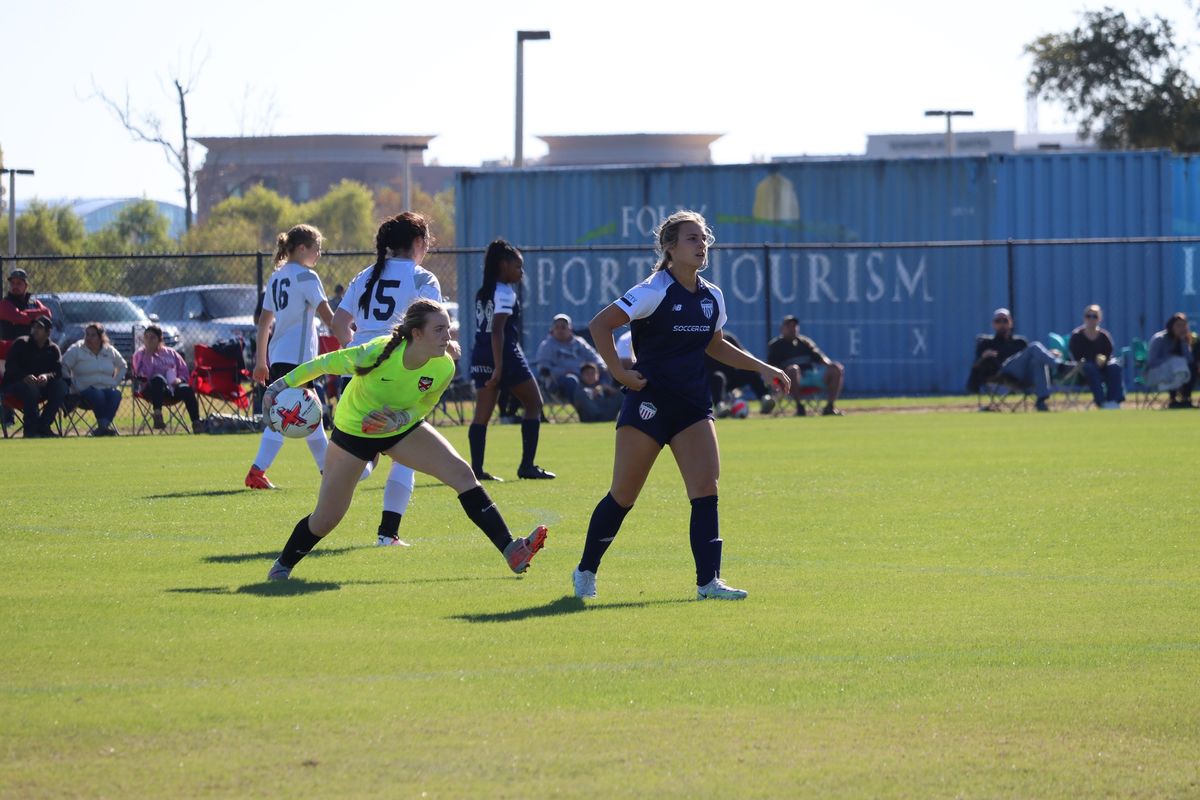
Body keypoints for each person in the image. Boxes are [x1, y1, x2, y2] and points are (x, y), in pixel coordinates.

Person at [571, 210, 790, 602]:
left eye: (704, 238)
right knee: (624, 494)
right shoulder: (653, 289)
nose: (701, 244)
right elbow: (600, 325)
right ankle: (586, 570)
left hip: (693, 406)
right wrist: (619, 374)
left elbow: (715, 344)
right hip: (649, 406)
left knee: (706, 488)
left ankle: (709, 582)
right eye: (692, 238)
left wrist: (763, 367)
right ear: (669, 248)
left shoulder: (712, 296)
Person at [262, 299, 548, 581]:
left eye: (448, 329)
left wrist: (398, 419)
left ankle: (511, 549)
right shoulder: (378, 352)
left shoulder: (443, 367)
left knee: (462, 474)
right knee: (326, 519)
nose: (447, 337)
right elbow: (323, 363)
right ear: (417, 333)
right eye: (439, 330)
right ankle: (282, 565)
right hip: (354, 433)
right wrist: (278, 386)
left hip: (401, 429)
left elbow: (424, 405)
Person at [330, 212, 446, 546]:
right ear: (419, 243)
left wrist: (360, 355)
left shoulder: (364, 276)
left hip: (364, 374)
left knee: (362, 449)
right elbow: (433, 330)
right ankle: (387, 534)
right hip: (401, 375)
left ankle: (344, 468)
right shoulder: (423, 279)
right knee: (406, 457)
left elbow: (340, 324)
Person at [246, 224, 336, 488]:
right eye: (316, 249)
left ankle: (327, 471)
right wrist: (350, 335)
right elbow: (327, 315)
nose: (319, 255)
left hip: (278, 355)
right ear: (301, 248)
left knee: (306, 413)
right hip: (298, 360)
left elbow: (264, 323)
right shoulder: (306, 276)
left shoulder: (277, 276)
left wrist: (262, 361)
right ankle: (258, 471)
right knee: (298, 413)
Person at [468, 239, 555, 481]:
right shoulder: (505, 292)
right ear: (503, 265)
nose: (521, 272)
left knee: (481, 415)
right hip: (504, 355)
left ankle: (476, 470)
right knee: (534, 404)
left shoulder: (482, 291)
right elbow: (498, 331)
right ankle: (527, 466)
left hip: (480, 352)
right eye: (518, 267)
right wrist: (499, 367)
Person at [967, 308, 1060, 412]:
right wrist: (984, 357)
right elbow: (975, 366)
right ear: (993, 324)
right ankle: (1060, 366)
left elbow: (1031, 357)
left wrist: (1048, 354)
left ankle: (1041, 401)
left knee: (1037, 359)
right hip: (1003, 373)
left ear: (1011, 322)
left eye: (1005, 320)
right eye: (998, 321)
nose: (1002, 324)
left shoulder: (1020, 342)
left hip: (1024, 375)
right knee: (1035, 346)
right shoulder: (986, 343)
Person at [0, 316, 68, 437]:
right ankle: (30, 430)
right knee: (31, 388)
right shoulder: (21, 343)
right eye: (34, 327)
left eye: (39, 328)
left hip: (42, 387)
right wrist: (24, 376)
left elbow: (57, 372)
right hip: (15, 386)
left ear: (48, 332)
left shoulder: (53, 349)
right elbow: (10, 367)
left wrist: (46, 377)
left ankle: (43, 426)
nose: (35, 330)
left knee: (61, 386)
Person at [766, 315, 844, 416]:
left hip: (810, 376)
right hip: (789, 380)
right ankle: (800, 407)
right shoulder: (775, 345)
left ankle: (830, 407)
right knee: (794, 369)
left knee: (836, 368)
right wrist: (776, 384)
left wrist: (831, 365)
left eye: (795, 326)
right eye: (789, 326)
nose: (792, 329)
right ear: (782, 329)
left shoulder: (805, 342)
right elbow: (771, 368)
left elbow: (822, 359)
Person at [132, 324, 204, 433]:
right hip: (150, 389)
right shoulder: (140, 355)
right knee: (158, 379)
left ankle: (196, 423)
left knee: (187, 389)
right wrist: (149, 356)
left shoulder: (171, 353)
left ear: (160, 339)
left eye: (152, 337)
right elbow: (141, 375)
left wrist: (179, 380)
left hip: (171, 389)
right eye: (146, 337)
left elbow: (184, 373)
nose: (148, 340)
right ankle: (157, 415)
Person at [62, 322, 127, 435]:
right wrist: (71, 385)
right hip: (83, 392)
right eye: (87, 334)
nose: (89, 338)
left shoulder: (109, 350)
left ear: (100, 337)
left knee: (116, 394)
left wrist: (115, 382)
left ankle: (102, 427)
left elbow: (123, 366)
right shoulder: (76, 349)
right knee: (98, 394)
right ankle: (104, 428)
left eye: (93, 335)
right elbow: (63, 366)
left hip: (107, 388)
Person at [533, 313, 606, 401]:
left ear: (570, 329)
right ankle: (586, 408)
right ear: (552, 330)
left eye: (563, 327)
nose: (560, 330)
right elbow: (543, 369)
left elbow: (595, 358)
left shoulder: (579, 342)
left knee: (608, 373)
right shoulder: (547, 345)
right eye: (557, 327)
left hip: (584, 379)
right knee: (571, 379)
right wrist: (563, 371)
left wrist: (602, 368)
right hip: (559, 384)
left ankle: (605, 408)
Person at [708, 329, 776, 416]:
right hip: (713, 380)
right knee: (717, 377)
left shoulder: (728, 337)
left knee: (750, 371)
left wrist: (757, 365)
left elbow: (743, 352)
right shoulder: (702, 340)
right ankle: (720, 406)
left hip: (732, 377)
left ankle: (764, 398)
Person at [1068, 304, 1124, 409]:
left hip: (1102, 369)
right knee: (1090, 367)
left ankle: (1113, 401)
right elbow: (1076, 357)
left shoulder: (1104, 336)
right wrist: (1092, 361)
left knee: (1114, 367)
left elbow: (1109, 353)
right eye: (1088, 316)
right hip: (1083, 371)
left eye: (1095, 316)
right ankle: (1101, 402)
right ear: (1084, 318)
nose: (1091, 319)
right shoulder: (1077, 336)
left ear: (1100, 319)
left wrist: (1103, 360)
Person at [1146, 312, 1195, 408]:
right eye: (1178, 325)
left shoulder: (1184, 340)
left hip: (1180, 372)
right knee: (1176, 362)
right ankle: (1173, 399)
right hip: (1156, 373)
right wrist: (1170, 360)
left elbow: (1190, 360)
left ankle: (1186, 399)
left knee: (1190, 366)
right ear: (1171, 326)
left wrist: (1182, 342)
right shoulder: (1159, 339)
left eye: (1184, 326)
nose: (1182, 328)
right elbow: (1152, 362)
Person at [0, 268, 53, 340]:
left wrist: (24, 313)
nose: (15, 286)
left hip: (33, 346)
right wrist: (36, 317)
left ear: (26, 286)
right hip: (12, 348)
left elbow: (47, 313)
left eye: (19, 283)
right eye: (12, 283)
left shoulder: (33, 302)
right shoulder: (4, 304)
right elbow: (19, 318)